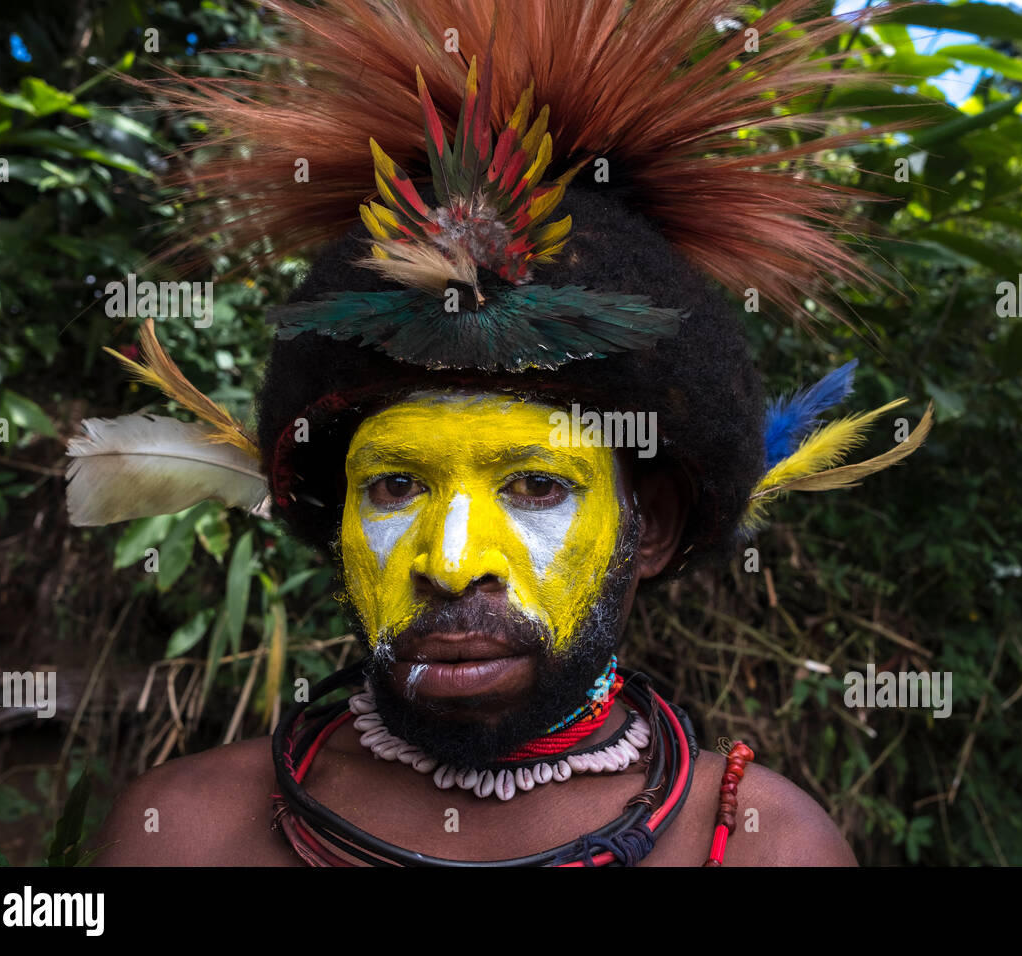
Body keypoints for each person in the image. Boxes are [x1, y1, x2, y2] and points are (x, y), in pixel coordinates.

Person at [68, 0, 929, 867]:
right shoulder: (185, 832)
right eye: (395, 486)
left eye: (537, 486)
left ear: (653, 525)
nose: (449, 561)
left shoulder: (764, 847)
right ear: (337, 524)